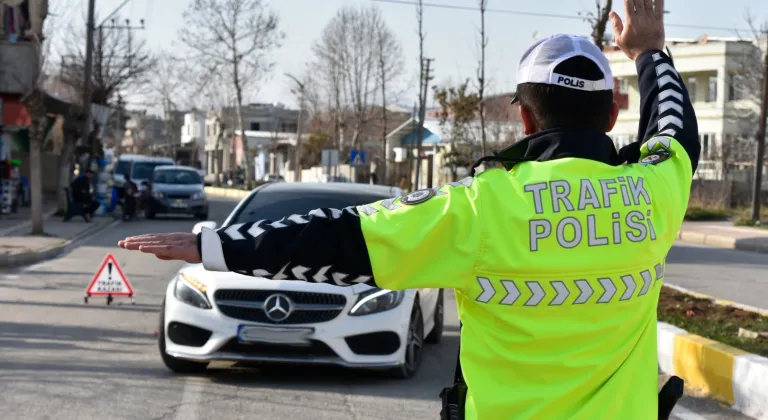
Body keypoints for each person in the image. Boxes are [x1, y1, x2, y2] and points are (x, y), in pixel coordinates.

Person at [119, 1, 698, 419]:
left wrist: (219, 243)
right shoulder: (653, 193)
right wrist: (649, 52)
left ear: (524, 118)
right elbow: (674, 130)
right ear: (613, 115)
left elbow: (344, 240)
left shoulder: (480, 208)